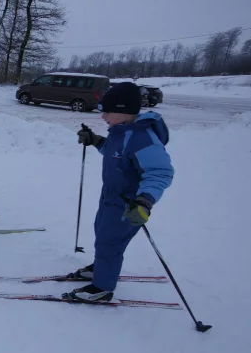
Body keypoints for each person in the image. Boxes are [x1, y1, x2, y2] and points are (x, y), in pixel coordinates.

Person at [64, 82, 174, 303]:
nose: (103, 116)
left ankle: (102, 288)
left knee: (110, 242)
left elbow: (160, 173)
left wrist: (144, 202)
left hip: (129, 205)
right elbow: (114, 152)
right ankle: (102, 267)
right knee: (102, 234)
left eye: (107, 111)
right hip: (110, 197)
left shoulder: (143, 139)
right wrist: (96, 140)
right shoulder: (120, 131)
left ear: (124, 110)